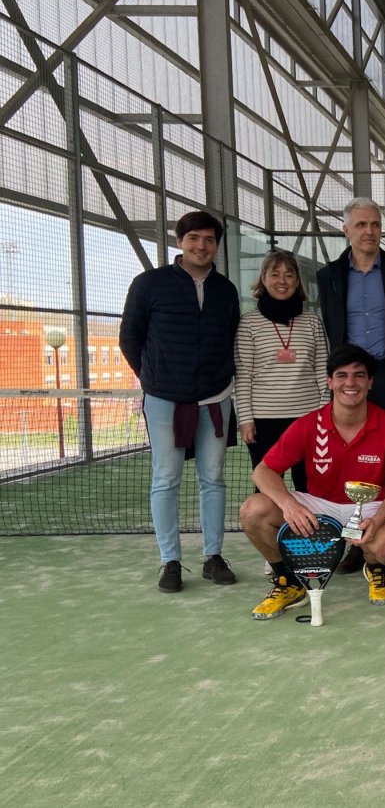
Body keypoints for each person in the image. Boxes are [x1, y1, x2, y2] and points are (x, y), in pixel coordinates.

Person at [240, 344, 385, 619]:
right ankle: (288, 581)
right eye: (342, 375)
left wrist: (378, 521)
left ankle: (376, 567)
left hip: (370, 506)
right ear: (330, 382)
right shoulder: (309, 424)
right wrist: (289, 505)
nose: (350, 383)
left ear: (370, 382)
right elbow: (262, 471)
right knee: (253, 510)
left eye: (359, 375)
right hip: (319, 505)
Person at [119, 210, 241, 593]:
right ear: (179, 242)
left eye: (208, 240)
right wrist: (155, 378)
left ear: (216, 245)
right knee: (166, 479)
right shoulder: (149, 284)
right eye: (194, 239)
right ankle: (170, 562)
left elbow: (230, 337)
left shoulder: (226, 290)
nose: (201, 246)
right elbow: (130, 338)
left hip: (216, 398)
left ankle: (213, 556)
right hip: (164, 400)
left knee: (213, 478)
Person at [316, 197, 385, 571]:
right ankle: (355, 543)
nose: (369, 231)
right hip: (349, 380)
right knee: (352, 462)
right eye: (361, 225)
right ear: (346, 230)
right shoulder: (327, 277)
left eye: (375, 225)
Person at [235, 248, 328, 493]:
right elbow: (243, 375)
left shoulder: (312, 322)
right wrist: (245, 419)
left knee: (310, 486)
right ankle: (270, 532)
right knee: (267, 488)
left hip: (308, 418)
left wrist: (323, 415)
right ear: (263, 279)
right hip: (263, 420)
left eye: (289, 275)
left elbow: (322, 371)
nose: (282, 281)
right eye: (275, 274)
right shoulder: (249, 323)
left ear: (297, 281)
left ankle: (311, 532)